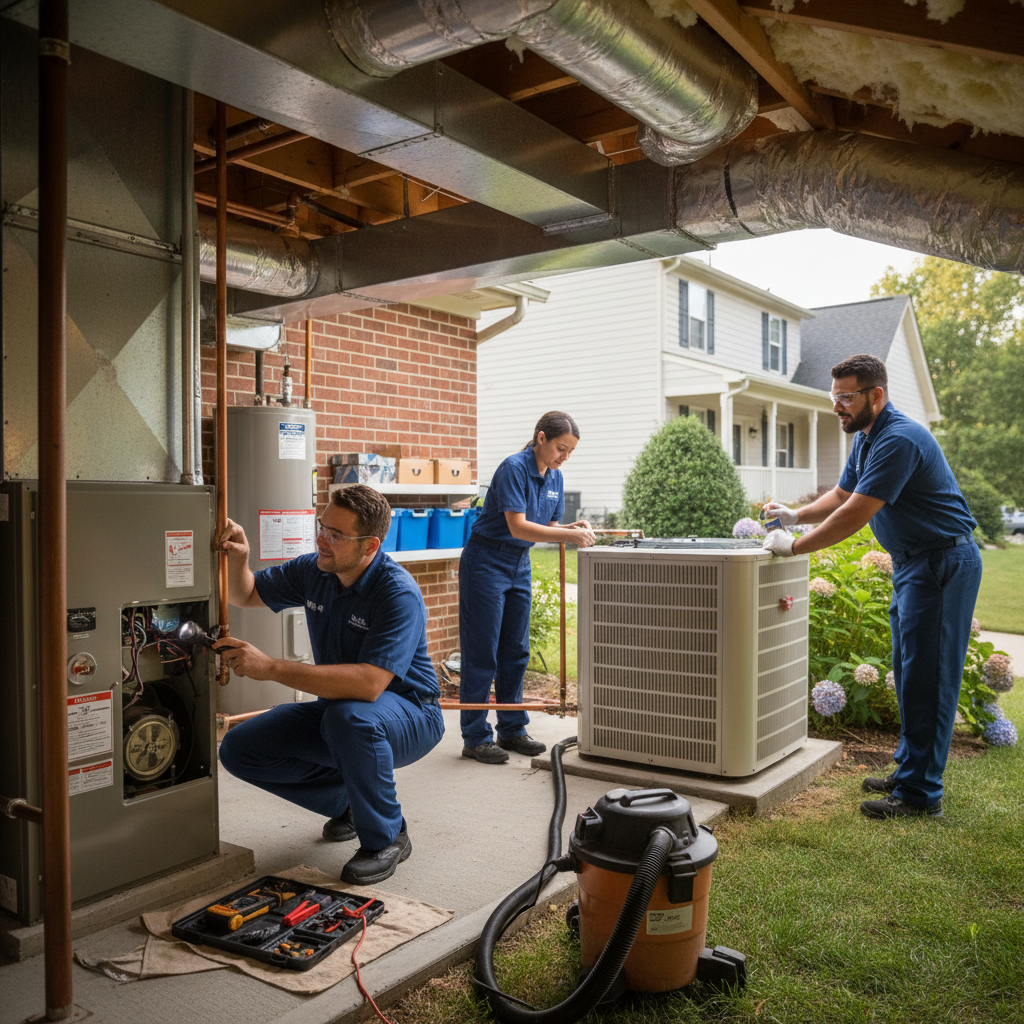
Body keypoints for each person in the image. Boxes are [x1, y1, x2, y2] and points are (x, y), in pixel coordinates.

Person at [763, 354, 982, 820]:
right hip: (915, 565)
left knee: (930, 677)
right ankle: (909, 773)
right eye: (833, 397)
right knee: (910, 673)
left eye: (846, 397)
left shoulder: (899, 438)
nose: (837, 406)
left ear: (875, 395)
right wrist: (797, 515)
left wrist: (795, 547)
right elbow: (841, 494)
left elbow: (856, 512)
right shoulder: (868, 438)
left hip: (941, 563)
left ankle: (921, 795)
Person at [214, 485, 444, 884]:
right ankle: (355, 804)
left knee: (350, 717)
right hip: (341, 710)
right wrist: (242, 557)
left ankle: (387, 837)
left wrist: (271, 667)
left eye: (336, 534)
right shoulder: (315, 570)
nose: (322, 539)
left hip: (411, 713)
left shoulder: (397, 593)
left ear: (370, 546)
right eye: (322, 527)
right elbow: (245, 592)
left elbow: (371, 684)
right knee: (240, 748)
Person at [459, 411, 597, 765]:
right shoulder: (513, 468)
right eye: (560, 448)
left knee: (516, 650)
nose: (563, 457)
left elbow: (546, 526)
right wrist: (570, 535)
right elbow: (519, 526)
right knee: (482, 651)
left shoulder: (555, 477)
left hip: (519, 564)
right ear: (541, 439)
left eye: (569, 452)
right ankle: (475, 737)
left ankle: (512, 728)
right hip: (486, 561)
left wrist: (569, 526)